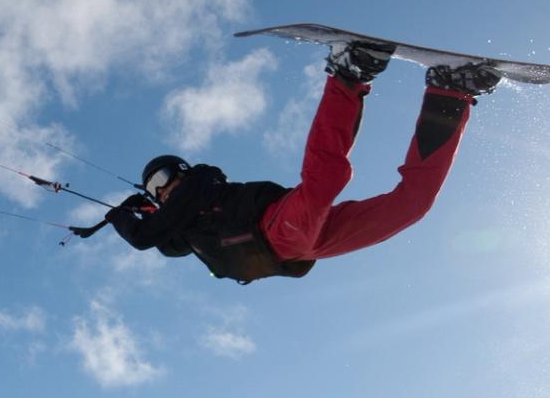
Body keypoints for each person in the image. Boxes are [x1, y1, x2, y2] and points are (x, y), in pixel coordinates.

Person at [103, 43, 500, 283]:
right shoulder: (180, 231)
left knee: (326, 179)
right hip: (299, 247)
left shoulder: (200, 185)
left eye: (166, 175)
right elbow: (164, 243)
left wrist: (119, 215)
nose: (163, 186)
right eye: (155, 185)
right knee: (411, 205)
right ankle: (449, 93)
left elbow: (143, 237)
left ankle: (348, 73)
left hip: (277, 230)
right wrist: (138, 211)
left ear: (183, 173)